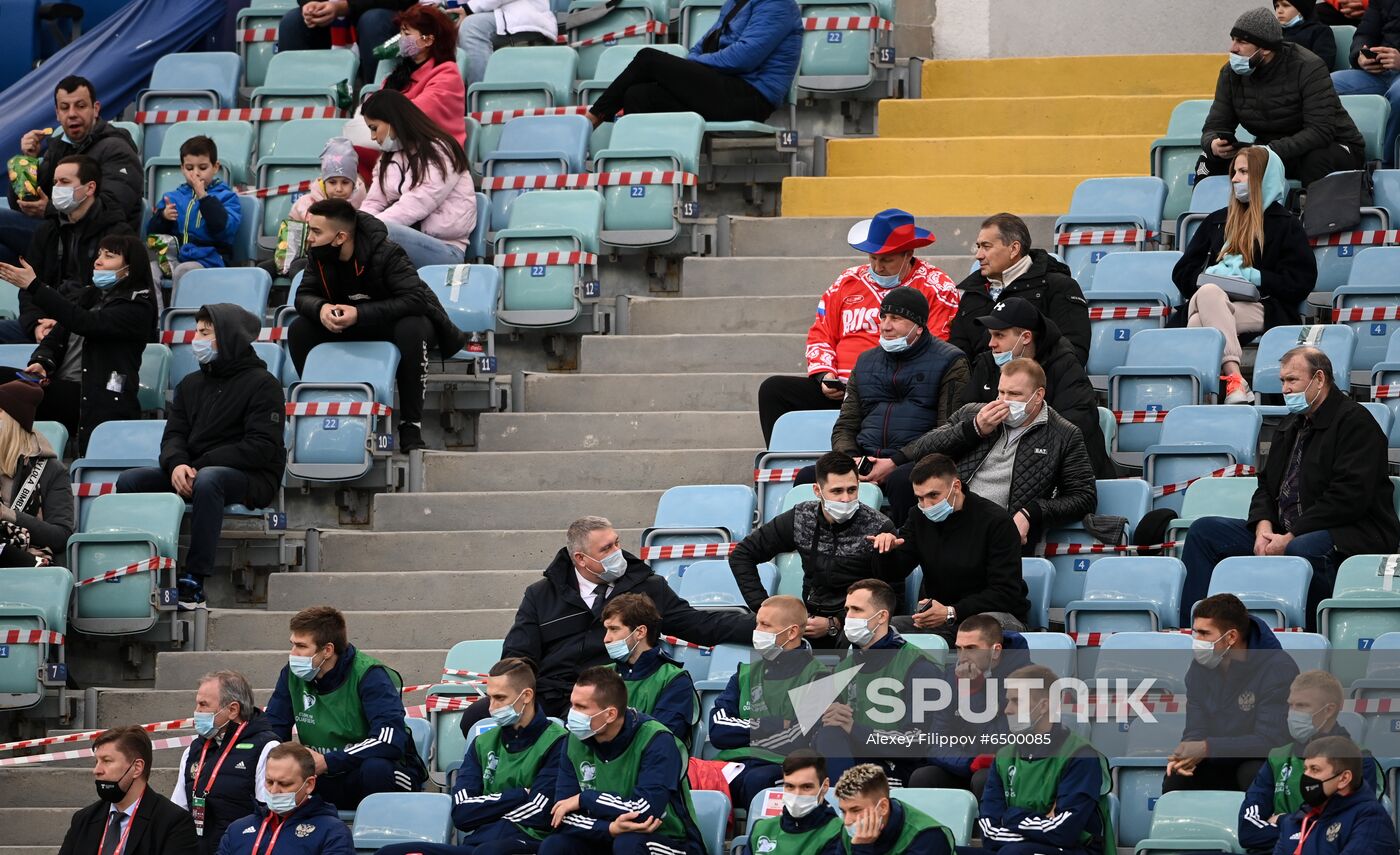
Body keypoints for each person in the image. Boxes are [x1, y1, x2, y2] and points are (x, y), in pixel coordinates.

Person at [457, 516, 754, 732]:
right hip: (552, 693)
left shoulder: (647, 587)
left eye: (617, 543)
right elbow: (519, 655)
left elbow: (698, 625)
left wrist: (762, 627)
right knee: (476, 717)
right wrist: (518, 696)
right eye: (606, 549)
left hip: (610, 692)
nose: (616, 553)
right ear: (581, 559)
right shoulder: (540, 594)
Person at [1180, 347, 1398, 627]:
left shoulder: (1356, 423)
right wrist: (1263, 528)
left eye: (1292, 380)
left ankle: (1313, 633)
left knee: (1304, 548)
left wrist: (1291, 536)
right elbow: (1266, 487)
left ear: (1319, 379)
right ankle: (1195, 629)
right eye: (1282, 381)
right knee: (1203, 532)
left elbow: (1348, 498)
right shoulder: (1291, 424)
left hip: (1352, 530)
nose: (1284, 389)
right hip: (1286, 530)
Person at [116, 304, 287, 607]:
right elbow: (173, 436)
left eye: (205, 332)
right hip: (193, 470)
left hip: (250, 476)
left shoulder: (264, 385)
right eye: (197, 331)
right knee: (131, 481)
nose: (197, 339)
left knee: (209, 480)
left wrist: (198, 465)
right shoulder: (190, 384)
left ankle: (194, 581)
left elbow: (260, 447)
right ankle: (142, 567)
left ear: (229, 337)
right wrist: (177, 464)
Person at [756, 209, 960, 443]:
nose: (878, 266)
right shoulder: (847, 281)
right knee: (773, 390)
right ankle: (782, 463)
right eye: (873, 257)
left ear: (908, 253)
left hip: (895, 391)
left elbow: (936, 348)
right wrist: (824, 376)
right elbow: (821, 335)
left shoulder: (937, 286)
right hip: (840, 388)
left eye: (887, 259)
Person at [289, 198, 468, 452]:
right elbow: (303, 295)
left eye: (316, 232)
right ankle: (321, 410)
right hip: (353, 322)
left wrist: (359, 314)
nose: (310, 238)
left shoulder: (386, 251)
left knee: (412, 327)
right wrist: (321, 308)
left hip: (395, 322)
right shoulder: (318, 256)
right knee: (299, 329)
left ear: (340, 237)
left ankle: (410, 425)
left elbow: (414, 299)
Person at [890, 359, 1098, 551]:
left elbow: (1083, 497)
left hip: (998, 532)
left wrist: (1031, 513)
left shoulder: (1064, 434)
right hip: (949, 517)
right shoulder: (973, 414)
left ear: (1039, 395)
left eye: (1015, 395)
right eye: (1001, 393)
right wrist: (974, 429)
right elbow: (921, 451)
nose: (1005, 401)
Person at [804, 286, 968, 524]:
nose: (886, 325)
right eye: (883, 317)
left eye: (896, 318)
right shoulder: (866, 360)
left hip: (914, 460)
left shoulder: (952, 361)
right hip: (864, 459)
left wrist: (896, 461)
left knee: (903, 480)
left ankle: (905, 549)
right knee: (811, 476)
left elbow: (948, 431)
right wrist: (853, 460)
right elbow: (846, 425)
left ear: (919, 327)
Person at [375, 658, 567, 855]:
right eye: (489, 697)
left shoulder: (558, 742)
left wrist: (487, 810)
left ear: (526, 696)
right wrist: (520, 795)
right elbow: (461, 814)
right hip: (478, 845)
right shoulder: (483, 742)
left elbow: (540, 813)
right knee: (390, 852)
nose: (492, 707)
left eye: (500, 698)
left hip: (529, 843)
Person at [1171, 146, 1315, 404]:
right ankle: (1236, 380)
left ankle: (1204, 397)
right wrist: (1210, 274)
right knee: (1209, 291)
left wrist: (1254, 277)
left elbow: (1300, 281)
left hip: (1262, 306)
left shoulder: (1286, 225)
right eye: (1234, 172)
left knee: (1197, 326)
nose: (1235, 178)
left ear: (1263, 176)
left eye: (1243, 172)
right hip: (1210, 300)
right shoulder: (1217, 221)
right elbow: (1182, 272)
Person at [0, 233, 156, 453]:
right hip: (59, 387)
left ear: (129, 269)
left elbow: (85, 323)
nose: (98, 260)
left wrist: (35, 286)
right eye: (99, 254)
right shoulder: (89, 296)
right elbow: (55, 338)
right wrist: (42, 362)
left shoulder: (138, 306)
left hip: (94, 395)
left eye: (109, 256)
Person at [264, 606, 427, 810]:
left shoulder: (370, 675)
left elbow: (389, 740)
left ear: (327, 650)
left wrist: (329, 761)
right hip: (323, 774)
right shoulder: (291, 674)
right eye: (292, 645)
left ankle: (377, 837)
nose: (293, 654)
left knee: (375, 769)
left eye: (301, 646)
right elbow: (272, 729)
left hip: (376, 774)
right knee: (272, 768)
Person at [728, 452, 893, 646]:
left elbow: (888, 593)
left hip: (856, 620)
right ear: (817, 490)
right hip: (807, 617)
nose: (845, 499)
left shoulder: (879, 527)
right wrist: (764, 607)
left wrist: (836, 622)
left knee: (851, 638)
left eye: (852, 490)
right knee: (737, 627)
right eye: (837, 491)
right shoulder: (801, 516)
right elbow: (742, 555)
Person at [543, 667, 705, 855]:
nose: (572, 714)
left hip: (668, 841)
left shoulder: (657, 740)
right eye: (572, 705)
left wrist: (585, 799)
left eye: (581, 707)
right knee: (555, 846)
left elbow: (644, 812)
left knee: (629, 845)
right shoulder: (574, 740)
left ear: (610, 714)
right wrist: (609, 828)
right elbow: (561, 815)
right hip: (609, 835)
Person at [1200, 8, 1366, 186]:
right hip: (1274, 150)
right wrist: (1214, 144)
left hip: (1333, 147)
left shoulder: (1308, 67)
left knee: (1315, 159)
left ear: (1264, 49)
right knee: (1209, 160)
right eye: (1233, 40)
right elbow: (1213, 127)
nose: (1232, 48)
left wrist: (1267, 151)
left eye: (1241, 42)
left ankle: (1314, 213)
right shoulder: (1230, 73)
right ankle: (1216, 213)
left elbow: (1320, 131)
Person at [873, 454, 1030, 636]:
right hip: (939, 618)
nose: (927, 505)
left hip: (994, 616)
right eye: (920, 498)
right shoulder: (918, 516)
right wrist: (885, 551)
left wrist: (952, 612)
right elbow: (895, 572)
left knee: (974, 631)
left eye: (933, 495)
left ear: (956, 486)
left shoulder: (996, 521)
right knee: (877, 630)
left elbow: (1005, 593)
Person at [960, 297, 1114, 478]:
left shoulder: (1064, 364)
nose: (991, 343)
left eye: (999, 335)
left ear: (1025, 337)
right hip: (1000, 466)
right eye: (991, 334)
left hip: (1062, 471)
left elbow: (1076, 424)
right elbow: (964, 416)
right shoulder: (987, 363)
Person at [583, 0, 801, 126]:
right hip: (725, 86)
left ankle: (590, 120)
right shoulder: (735, 2)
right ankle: (645, 172)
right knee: (639, 95)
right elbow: (704, 44)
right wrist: (695, 61)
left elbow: (743, 58)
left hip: (751, 96)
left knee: (648, 59)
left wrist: (695, 62)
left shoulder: (778, 3)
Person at [813, 579, 943, 787]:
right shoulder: (844, 668)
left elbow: (917, 742)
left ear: (882, 616)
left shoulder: (920, 668)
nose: (848, 618)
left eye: (857, 610)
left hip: (894, 769)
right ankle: (841, 802)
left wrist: (854, 728)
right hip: (851, 764)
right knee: (826, 735)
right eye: (847, 610)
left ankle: (842, 802)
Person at [1164, 594, 1299, 793]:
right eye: (1195, 633)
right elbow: (1196, 727)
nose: (1197, 641)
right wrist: (1188, 752)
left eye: (1204, 633)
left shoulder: (1278, 668)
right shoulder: (1200, 667)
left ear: (1231, 637)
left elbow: (1270, 741)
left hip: (1264, 760)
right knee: (1178, 776)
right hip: (1218, 757)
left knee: (1252, 773)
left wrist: (1206, 748)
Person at [2, 76, 142, 263]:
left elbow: (113, 210)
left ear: (96, 109)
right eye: (65, 108)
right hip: (58, 237)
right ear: (57, 114)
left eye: (80, 106)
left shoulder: (117, 149)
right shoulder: (59, 147)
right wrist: (28, 161)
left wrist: (49, 210)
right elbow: (21, 203)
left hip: (98, 246)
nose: (72, 114)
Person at [979, 664, 1116, 855]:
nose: (1007, 710)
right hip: (1021, 848)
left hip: (1077, 850)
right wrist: (1039, 823)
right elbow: (988, 832)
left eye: (1016, 701)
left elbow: (1064, 832)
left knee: (1013, 853)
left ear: (1043, 706)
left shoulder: (1080, 755)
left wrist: (1009, 817)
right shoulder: (1004, 756)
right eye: (1008, 701)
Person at [709, 595, 829, 810]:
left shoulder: (819, 678)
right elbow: (718, 729)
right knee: (689, 775)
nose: (757, 631)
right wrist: (773, 725)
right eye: (757, 623)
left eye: (765, 625)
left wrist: (745, 735)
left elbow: (797, 738)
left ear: (792, 632)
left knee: (756, 780)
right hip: (731, 764)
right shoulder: (744, 672)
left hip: (780, 767)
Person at [1240, 671, 1380, 853]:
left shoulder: (1359, 760)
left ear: (1329, 710)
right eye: (1290, 705)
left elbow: (1342, 830)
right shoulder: (1278, 757)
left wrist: (1282, 820)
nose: (1292, 713)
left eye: (1302, 706)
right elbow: (1249, 832)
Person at [0, 155, 132, 345]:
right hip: (44, 323)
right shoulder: (47, 231)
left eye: (65, 182)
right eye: (55, 182)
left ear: (90, 188)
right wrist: (36, 326)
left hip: (88, 326)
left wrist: (63, 322)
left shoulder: (118, 234)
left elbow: (110, 296)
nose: (57, 188)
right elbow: (28, 290)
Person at [908, 615, 1030, 794]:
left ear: (995, 651)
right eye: (959, 648)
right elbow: (936, 741)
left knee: (984, 778)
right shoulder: (952, 675)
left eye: (971, 648)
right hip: (968, 764)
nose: (962, 657)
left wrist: (973, 694)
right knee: (924, 777)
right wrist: (968, 762)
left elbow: (999, 743)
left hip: (1015, 769)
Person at [949, 213, 1090, 367]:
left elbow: (1073, 354)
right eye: (978, 247)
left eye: (986, 246)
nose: (978, 255)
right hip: (981, 387)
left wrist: (1025, 381)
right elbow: (958, 356)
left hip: (1038, 387)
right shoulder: (972, 293)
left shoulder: (1059, 287)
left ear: (1014, 249)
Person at [358, 90, 476, 269]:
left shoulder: (440, 150)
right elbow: (373, 201)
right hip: (402, 240)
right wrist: (354, 227)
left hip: (446, 250)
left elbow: (418, 202)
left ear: (393, 121)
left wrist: (370, 229)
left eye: (374, 128)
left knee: (385, 233)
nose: (373, 137)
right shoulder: (388, 157)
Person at [171, 671, 280, 852]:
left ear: (232, 710)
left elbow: (267, 814)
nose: (196, 712)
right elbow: (178, 809)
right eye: (197, 704)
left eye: (203, 705)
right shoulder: (194, 750)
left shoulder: (267, 747)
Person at [58, 725, 199, 855]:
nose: (97, 770)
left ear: (137, 768)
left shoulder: (173, 822)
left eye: (107, 761)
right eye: (96, 762)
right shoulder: (84, 820)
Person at [216, 742, 355, 855]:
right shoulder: (237, 829)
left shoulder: (332, 832)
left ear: (309, 784)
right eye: (269, 782)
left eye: (284, 784)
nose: (274, 790)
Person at [1271, 735, 1398, 855]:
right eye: (1305, 769)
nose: (1306, 776)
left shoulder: (1370, 819)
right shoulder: (1296, 821)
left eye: (1315, 769)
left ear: (1344, 779)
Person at [601, 592, 699, 745]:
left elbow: (661, 738)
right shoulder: (600, 676)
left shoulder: (674, 679)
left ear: (640, 632)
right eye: (606, 630)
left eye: (614, 629)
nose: (606, 638)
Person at [147, 136, 243, 286]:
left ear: (215, 167)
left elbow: (225, 229)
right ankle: (158, 311)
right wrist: (163, 217)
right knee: (149, 270)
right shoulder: (173, 197)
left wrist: (203, 197)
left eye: (203, 168)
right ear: (182, 168)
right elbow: (152, 234)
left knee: (185, 271)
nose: (196, 174)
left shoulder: (227, 197)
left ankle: (178, 310)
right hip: (175, 257)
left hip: (211, 259)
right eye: (189, 168)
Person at [0, 380, 72, 565]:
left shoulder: (52, 470)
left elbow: (60, 536)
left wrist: (7, 514)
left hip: (30, 562)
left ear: (12, 420)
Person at [380, 4, 466, 146]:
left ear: (428, 40)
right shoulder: (399, 74)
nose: (401, 39)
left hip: (435, 154)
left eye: (406, 34)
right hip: (400, 147)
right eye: (400, 33)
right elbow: (373, 107)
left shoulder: (447, 75)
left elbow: (417, 113)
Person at [277, 0, 415, 86]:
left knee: (373, 21)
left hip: (379, 15)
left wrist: (346, 6)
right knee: (293, 22)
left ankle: (381, 99)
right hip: (331, 19)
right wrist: (310, 4)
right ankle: (297, 102)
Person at [1331, 0, 1400, 166]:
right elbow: (1364, 33)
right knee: (1327, 84)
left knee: (1398, 94)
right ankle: (1343, 158)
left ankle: (1385, 167)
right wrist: (1360, 56)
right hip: (1380, 71)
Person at [834, 763, 954, 855]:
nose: (847, 821)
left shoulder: (927, 838)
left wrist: (862, 850)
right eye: (843, 811)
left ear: (883, 807)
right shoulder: (850, 831)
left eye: (856, 810)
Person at [746, 750, 844, 855]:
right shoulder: (761, 829)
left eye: (806, 787)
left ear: (824, 787)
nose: (797, 794)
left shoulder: (838, 833)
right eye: (790, 786)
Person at [456, 0, 557, 87]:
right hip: (494, 16)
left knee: (471, 28)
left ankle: (482, 99)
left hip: (527, 16)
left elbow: (471, 7)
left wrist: (469, 8)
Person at [290, 138, 368, 224]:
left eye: (345, 182)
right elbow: (291, 234)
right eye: (332, 182)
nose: (339, 189)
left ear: (353, 185)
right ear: (324, 183)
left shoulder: (365, 206)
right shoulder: (304, 205)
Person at [1278, 0, 1337, 70]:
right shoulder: (1276, 33)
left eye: (1285, 5)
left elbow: (1322, 66)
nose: (1279, 11)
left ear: (1302, 8)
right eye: (1277, 6)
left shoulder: (1320, 31)